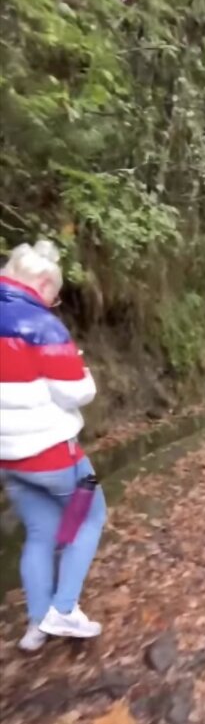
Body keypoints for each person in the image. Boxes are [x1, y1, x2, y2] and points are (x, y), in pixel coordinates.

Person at [0, 240, 106, 652]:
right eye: (54, 295)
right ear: (43, 283)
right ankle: (63, 608)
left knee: (40, 532)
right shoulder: (40, 324)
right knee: (90, 516)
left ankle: (36, 625)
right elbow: (77, 391)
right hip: (52, 454)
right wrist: (81, 366)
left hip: (7, 458)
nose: (53, 303)